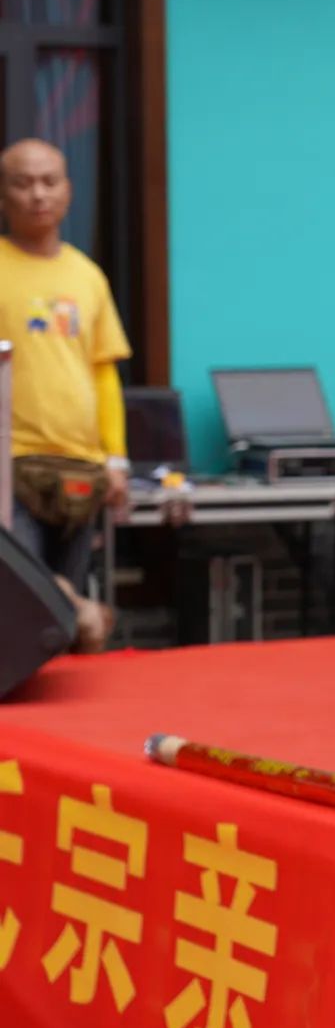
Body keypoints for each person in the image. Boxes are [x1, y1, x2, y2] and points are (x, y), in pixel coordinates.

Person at [0, 139, 129, 651]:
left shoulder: (87, 276)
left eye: (49, 181)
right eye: (23, 182)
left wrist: (114, 458)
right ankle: (88, 616)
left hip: (81, 467)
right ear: (4, 194)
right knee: (23, 596)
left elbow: (104, 373)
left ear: (68, 191)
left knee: (63, 600)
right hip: (12, 464)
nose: (37, 194)